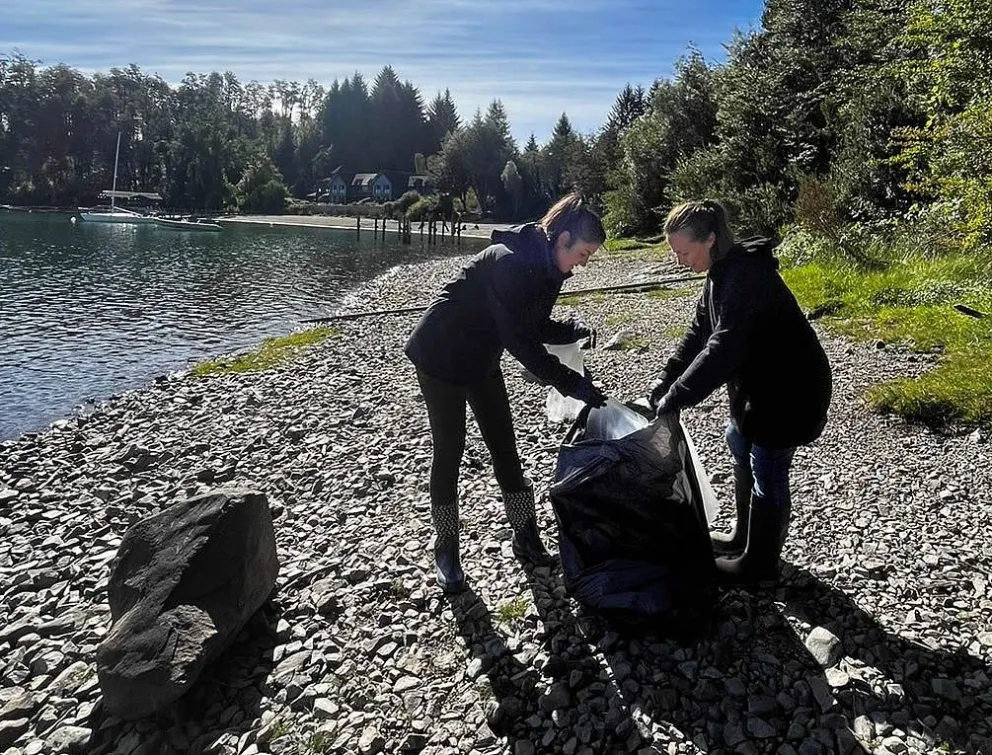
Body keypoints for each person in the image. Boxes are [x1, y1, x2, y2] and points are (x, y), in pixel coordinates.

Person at [405, 193, 608, 592]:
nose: (583, 264)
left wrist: (573, 330)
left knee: (504, 446)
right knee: (450, 450)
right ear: (562, 238)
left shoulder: (550, 267)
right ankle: (446, 547)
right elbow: (522, 344)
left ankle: (525, 535)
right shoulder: (510, 261)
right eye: (583, 253)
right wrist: (576, 386)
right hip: (440, 355)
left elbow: (534, 324)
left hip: (480, 358)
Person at [648, 200, 831, 586]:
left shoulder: (748, 275)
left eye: (683, 252)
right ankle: (741, 538)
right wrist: (663, 383)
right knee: (741, 450)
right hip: (755, 390)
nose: (680, 261)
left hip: (789, 389)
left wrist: (676, 398)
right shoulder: (718, 274)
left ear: (711, 239)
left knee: (768, 469)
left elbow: (723, 348)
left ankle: (760, 566)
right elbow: (698, 336)